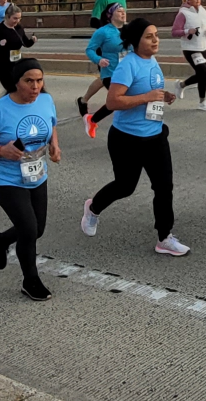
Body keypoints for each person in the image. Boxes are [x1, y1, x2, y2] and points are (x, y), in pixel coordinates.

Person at [80, 18, 189, 256]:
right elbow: (113, 101)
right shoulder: (128, 65)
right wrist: (148, 97)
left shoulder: (151, 60)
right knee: (125, 186)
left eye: (156, 35)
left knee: (164, 187)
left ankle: (164, 237)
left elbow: (149, 92)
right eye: (149, 37)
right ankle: (93, 207)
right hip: (127, 139)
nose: (155, 40)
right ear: (136, 41)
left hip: (155, 135)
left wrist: (163, 96)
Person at [0, 59, 62, 300]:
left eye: (39, 80)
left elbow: (52, 125)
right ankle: (30, 280)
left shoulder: (46, 100)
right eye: (29, 81)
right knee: (28, 228)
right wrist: (1, 151)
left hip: (36, 174)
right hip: (6, 178)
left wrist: (55, 146)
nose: (35, 87)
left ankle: (0, 240)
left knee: (38, 229)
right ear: (16, 83)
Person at [80, 3, 130, 138]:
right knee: (119, 101)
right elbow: (90, 49)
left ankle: (94, 120)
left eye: (124, 11)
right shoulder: (103, 32)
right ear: (110, 15)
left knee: (126, 102)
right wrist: (99, 60)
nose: (123, 13)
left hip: (128, 72)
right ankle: (93, 120)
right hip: (111, 73)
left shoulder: (129, 30)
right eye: (119, 11)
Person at [171, 0, 206, 110]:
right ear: (188, 0)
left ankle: (181, 85)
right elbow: (174, 32)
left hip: (203, 46)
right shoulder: (183, 13)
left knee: (202, 74)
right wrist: (187, 31)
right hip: (190, 48)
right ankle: (202, 102)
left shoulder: (203, 11)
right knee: (203, 73)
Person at [0, 7, 37, 94]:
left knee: (20, 88)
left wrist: (32, 40)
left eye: (19, 18)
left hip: (17, 62)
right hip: (3, 64)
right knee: (12, 89)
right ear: (7, 17)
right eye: (15, 18)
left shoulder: (18, 28)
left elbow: (25, 43)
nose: (17, 21)